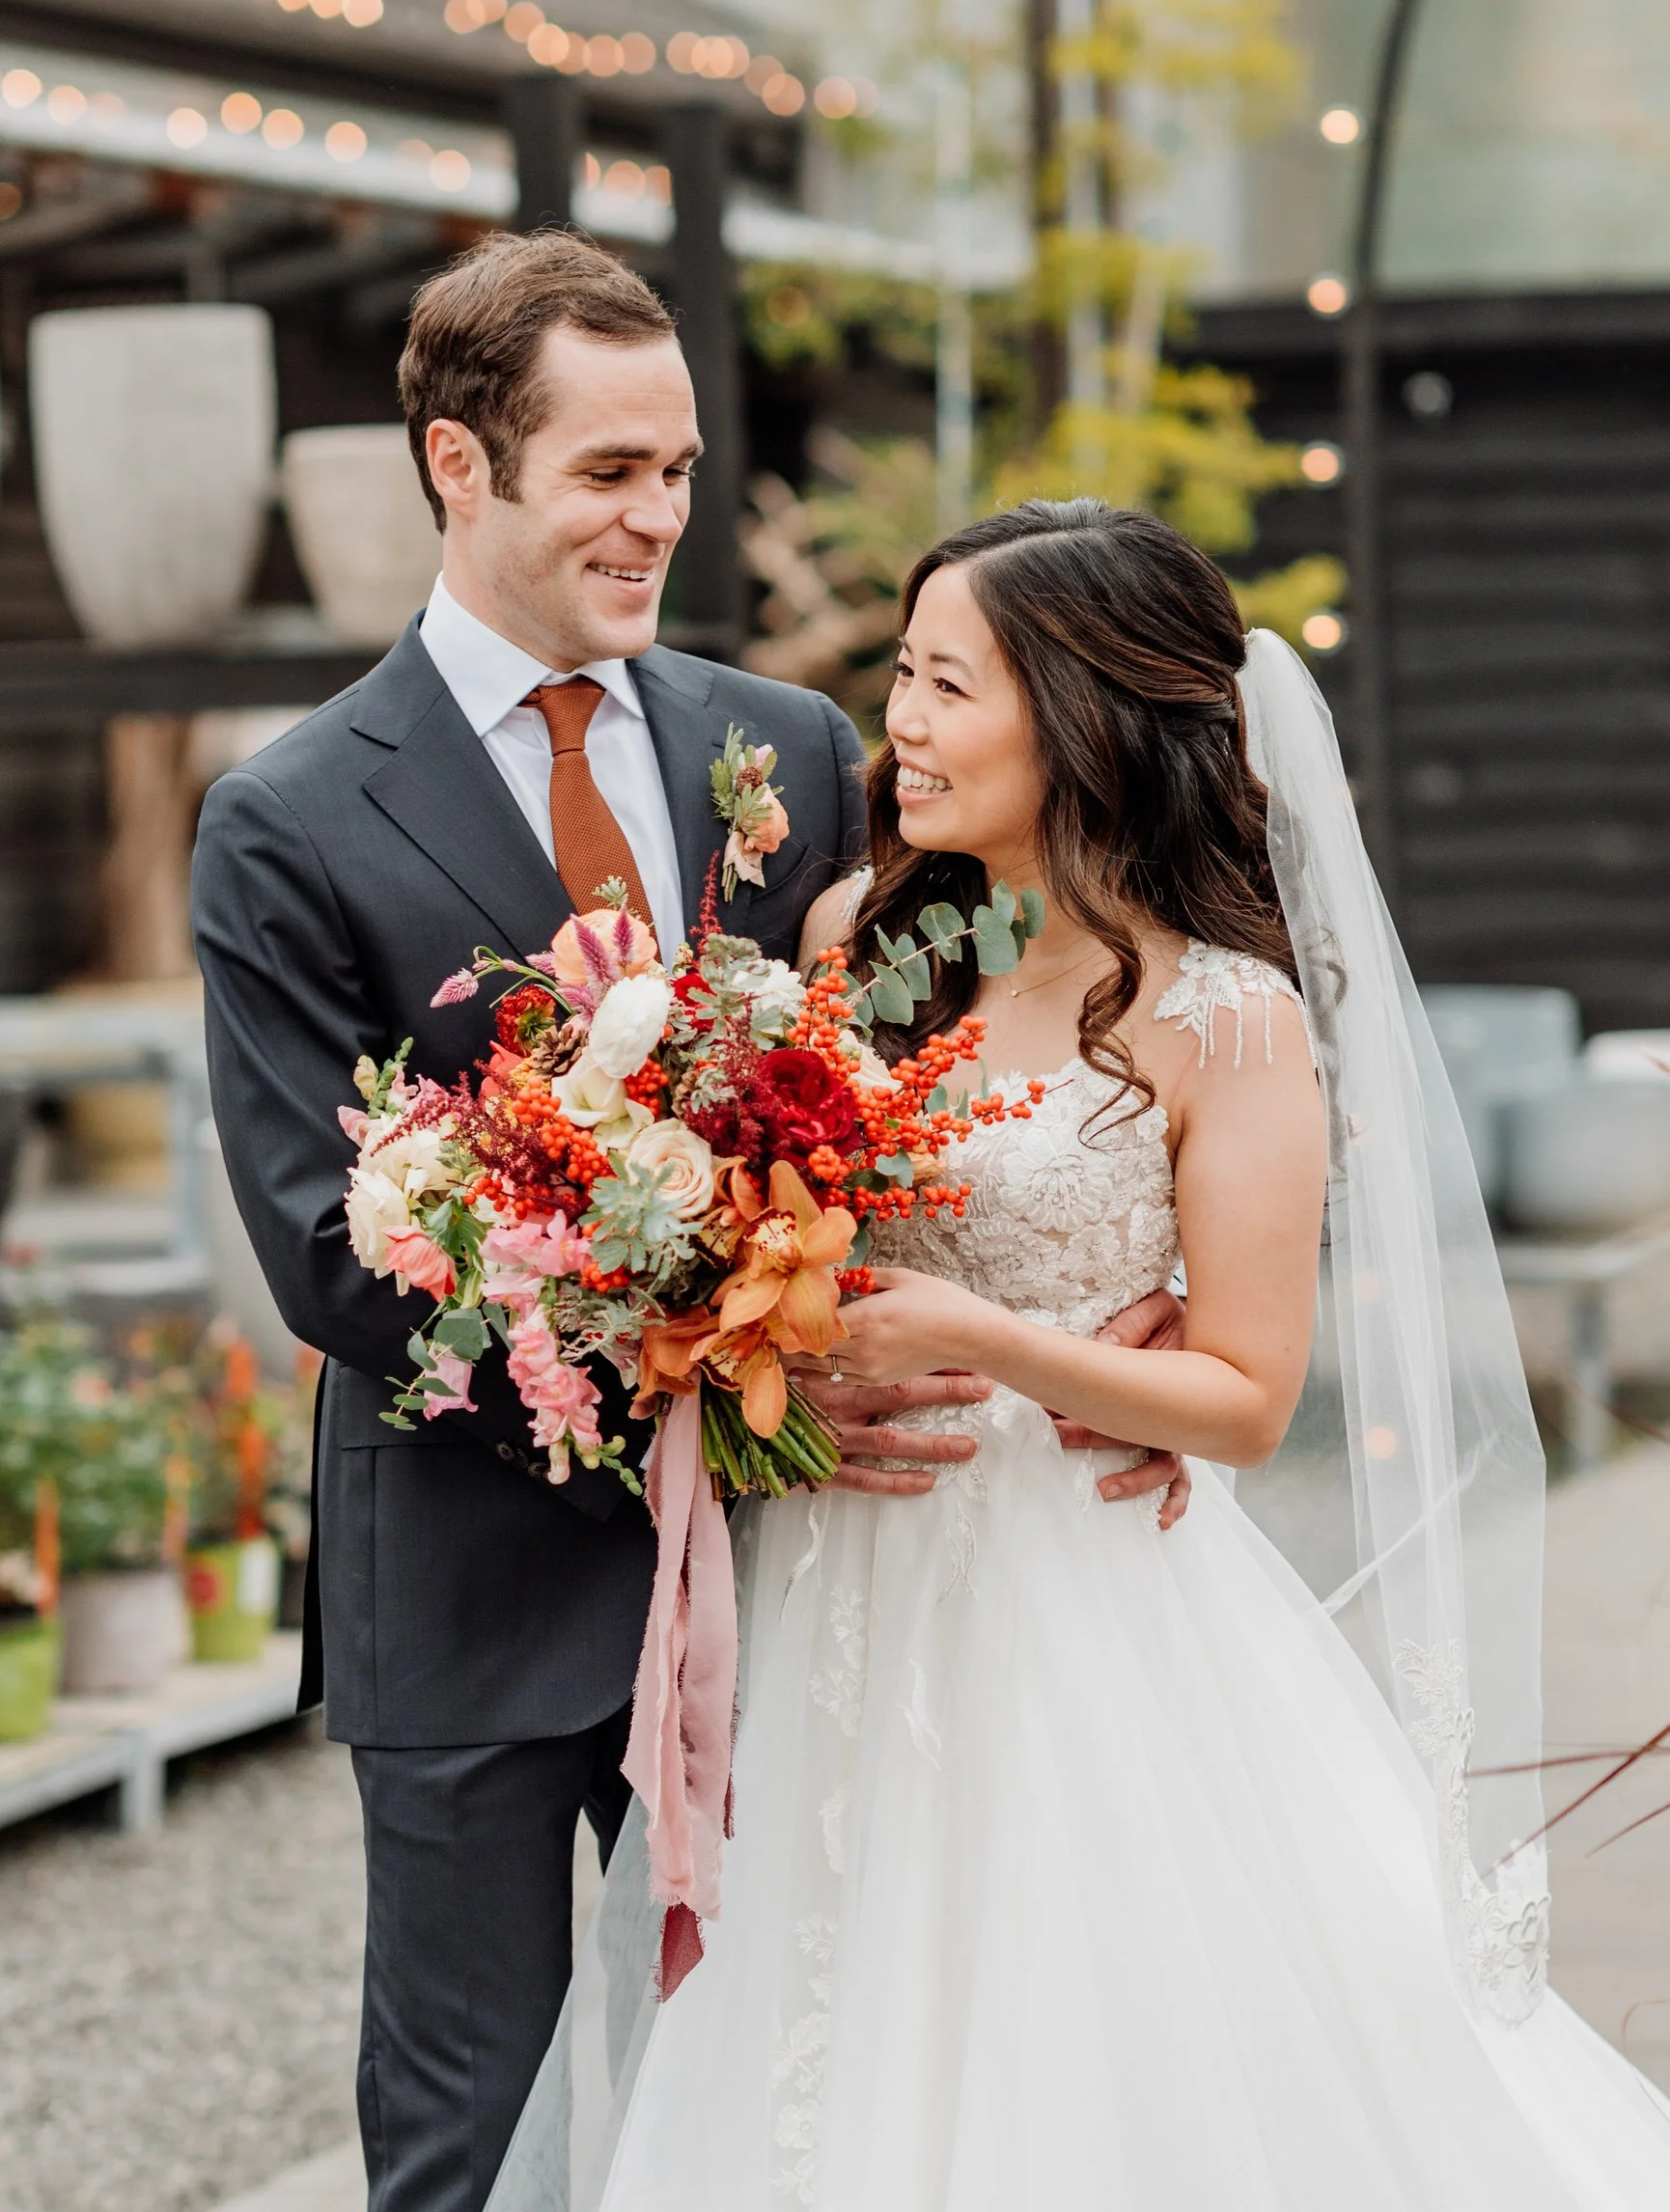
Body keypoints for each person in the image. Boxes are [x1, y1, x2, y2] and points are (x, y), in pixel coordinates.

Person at [493, 500, 1670, 2211]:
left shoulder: (1223, 1012)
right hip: (837, 1576)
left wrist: (990, 1338)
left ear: (1082, 713)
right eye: (900, 672)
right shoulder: (855, 946)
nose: (897, 721)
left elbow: (1247, 1399)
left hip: (1072, 1593)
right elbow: (771, 1246)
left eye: (947, 684)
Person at [191, 237, 1183, 2212]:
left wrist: (1115, 1292)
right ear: (457, 466)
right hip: (470, 1585)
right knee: (466, 2139)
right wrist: (725, 1365)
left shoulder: (793, 750)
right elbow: (331, 1244)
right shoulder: (288, 816)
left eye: (680, 468)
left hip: (795, 1575)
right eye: (606, 473)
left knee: (774, 2115)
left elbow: (931, 1082)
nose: (657, 517)